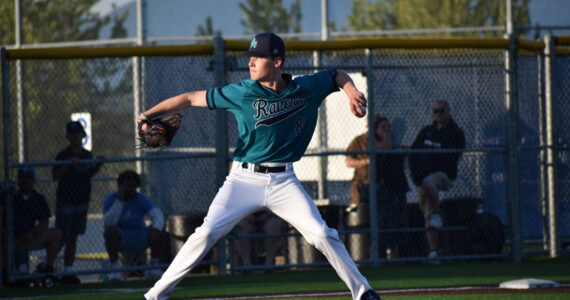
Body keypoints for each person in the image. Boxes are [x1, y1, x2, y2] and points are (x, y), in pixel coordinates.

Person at [140, 32, 381, 300]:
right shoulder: (243, 91)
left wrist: (351, 92)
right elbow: (190, 98)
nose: (251, 62)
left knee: (322, 234)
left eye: (258, 57)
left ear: (277, 62)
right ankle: (155, 296)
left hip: (283, 181)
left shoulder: (306, 88)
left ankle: (363, 292)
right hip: (243, 180)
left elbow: (337, 75)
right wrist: (148, 115)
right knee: (205, 233)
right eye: (250, 57)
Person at [409, 100, 466, 263]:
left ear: (448, 111)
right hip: (425, 178)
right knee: (428, 212)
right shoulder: (427, 131)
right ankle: (433, 251)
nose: (438, 115)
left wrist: (428, 165)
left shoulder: (455, 133)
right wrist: (418, 173)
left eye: (441, 111)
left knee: (429, 181)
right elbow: (415, 152)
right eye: (435, 111)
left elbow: (450, 157)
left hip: (443, 175)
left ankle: (436, 214)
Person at [345, 115, 409, 258]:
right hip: (366, 188)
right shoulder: (360, 141)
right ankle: (373, 255)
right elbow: (348, 161)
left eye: (388, 127)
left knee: (395, 222)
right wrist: (365, 162)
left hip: (390, 189)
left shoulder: (392, 141)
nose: (386, 130)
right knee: (374, 221)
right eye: (383, 127)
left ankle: (394, 255)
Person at [52, 121, 104, 282]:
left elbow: (87, 174)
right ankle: (49, 265)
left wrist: (98, 165)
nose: (76, 137)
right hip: (66, 202)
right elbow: (55, 176)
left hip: (81, 201)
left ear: (82, 135)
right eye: (72, 134)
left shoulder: (87, 155)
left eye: (78, 133)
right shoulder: (63, 155)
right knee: (61, 236)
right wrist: (68, 164)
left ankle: (68, 269)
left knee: (73, 237)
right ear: (68, 136)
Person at [103, 170, 168, 280]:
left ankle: (153, 267)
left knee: (160, 230)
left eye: (133, 186)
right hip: (121, 237)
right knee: (110, 231)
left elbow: (157, 215)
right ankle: (115, 269)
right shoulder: (111, 199)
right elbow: (109, 222)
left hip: (139, 235)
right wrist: (120, 201)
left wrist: (156, 229)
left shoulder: (141, 199)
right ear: (120, 186)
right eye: (127, 186)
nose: (130, 190)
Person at [1, 167, 63, 276]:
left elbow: (44, 222)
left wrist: (33, 233)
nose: (25, 181)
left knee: (56, 234)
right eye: (22, 178)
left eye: (28, 178)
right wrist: (9, 234)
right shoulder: (9, 198)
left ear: (33, 180)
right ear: (18, 180)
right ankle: (7, 273)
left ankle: (48, 268)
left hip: (30, 237)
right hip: (12, 238)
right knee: (4, 242)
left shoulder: (38, 198)